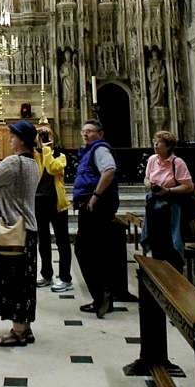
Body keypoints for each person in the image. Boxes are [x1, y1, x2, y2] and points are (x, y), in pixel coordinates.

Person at [0, 120, 39, 346]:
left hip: (11, 227)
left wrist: (0, 189)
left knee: (12, 279)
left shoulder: (13, 162)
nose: (10, 140)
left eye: (13, 136)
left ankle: (17, 332)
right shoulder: (33, 163)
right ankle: (24, 327)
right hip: (29, 227)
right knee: (26, 279)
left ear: (22, 140)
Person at [73, 119, 119, 319]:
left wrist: (95, 196)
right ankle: (102, 296)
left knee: (85, 249)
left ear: (100, 133)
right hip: (92, 204)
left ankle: (101, 296)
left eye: (90, 131)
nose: (85, 134)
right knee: (94, 250)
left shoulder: (100, 149)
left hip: (95, 205)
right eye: (83, 131)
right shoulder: (89, 151)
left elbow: (109, 170)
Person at [141, 131, 194, 271]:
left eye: (159, 142)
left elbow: (189, 186)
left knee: (170, 242)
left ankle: (174, 276)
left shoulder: (178, 162)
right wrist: (148, 184)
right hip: (154, 206)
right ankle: (159, 273)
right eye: (154, 142)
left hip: (171, 208)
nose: (155, 145)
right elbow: (146, 178)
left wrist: (168, 191)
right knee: (156, 241)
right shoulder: (152, 159)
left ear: (168, 146)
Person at [34, 127, 72, 293]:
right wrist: (40, 150)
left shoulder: (61, 156)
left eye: (46, 135)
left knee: (62, 241)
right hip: (39, 201)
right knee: (43, 241)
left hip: (57, 203)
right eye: (40, 135)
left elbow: (52, 168)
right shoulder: (34, 156)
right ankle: (47, 275)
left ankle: (65, 278)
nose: (43, 138)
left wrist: (47, 150)